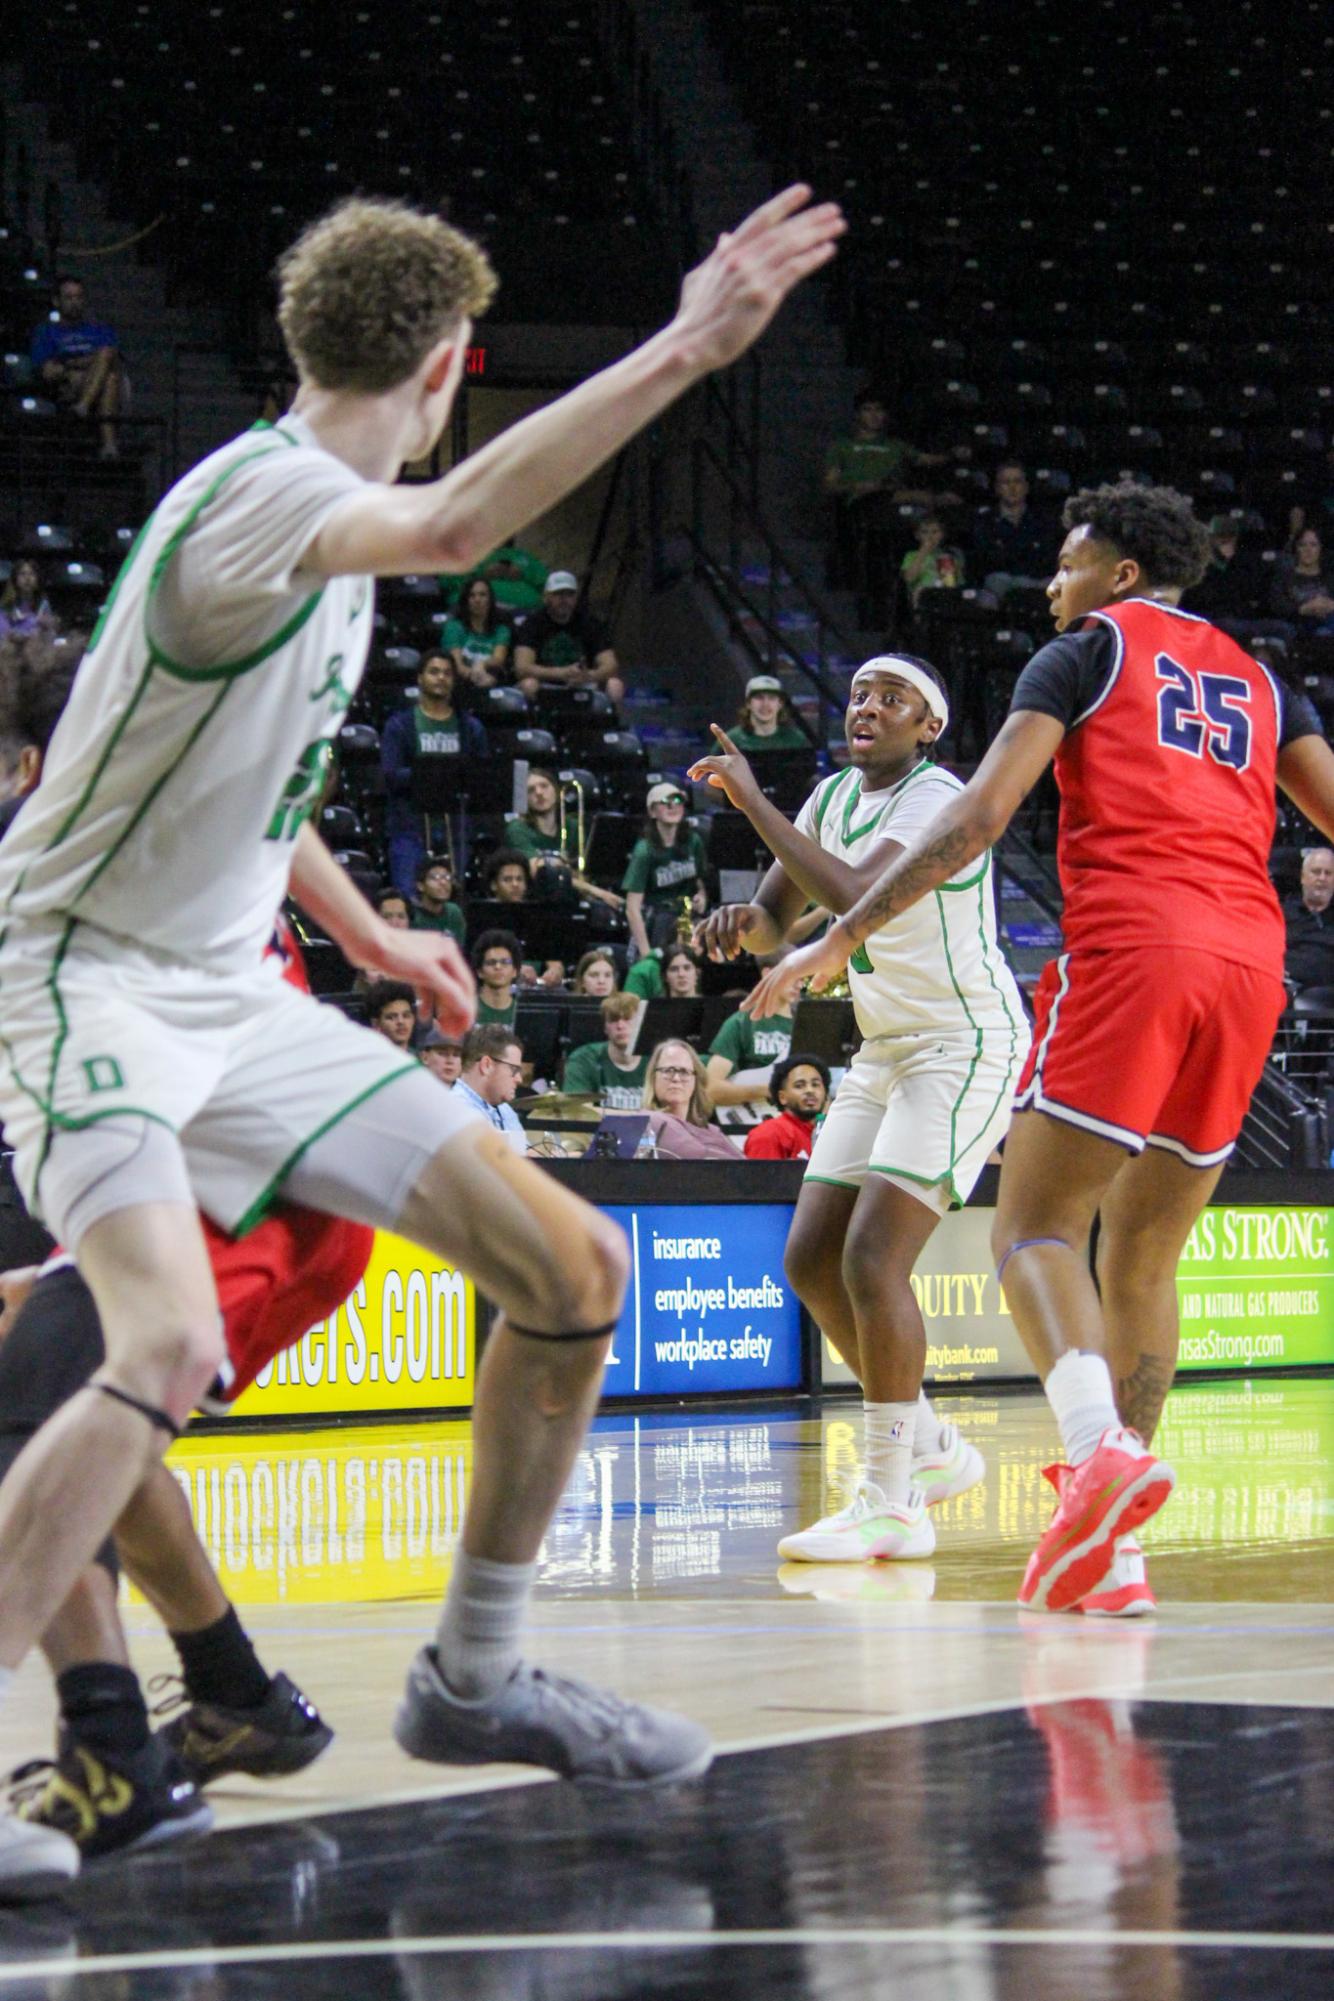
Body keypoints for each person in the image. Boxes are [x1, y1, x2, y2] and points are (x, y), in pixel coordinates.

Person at [0, 180, 843, 1887]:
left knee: (576, 1265)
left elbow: (232, 770)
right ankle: (97, 1729)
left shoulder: (285, 522)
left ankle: (472, 1670)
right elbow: (460, 530)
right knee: (147, 1348)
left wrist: (364, 924)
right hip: (85, 972)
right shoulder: (269, 500)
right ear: (456, 361)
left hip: (227, 985)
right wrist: (688, 341)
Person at [745, 480, 1334, 1615]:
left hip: (1133, 950)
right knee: (1145, 1258)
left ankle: (1092, 1453)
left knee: (1034, 1227)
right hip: (1248, 969)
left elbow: (974, 820)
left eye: (1066, 565)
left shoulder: (1081, 654)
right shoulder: (1264, 679)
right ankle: (1108, 1552)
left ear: (1116, 574)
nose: (1050, 585)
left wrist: (845, 933)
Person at [692, 656, 1024, 1566]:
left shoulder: (938, 796)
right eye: (857, 697)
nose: (867, 709)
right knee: (810, 1257)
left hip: (963, 1042)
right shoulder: (833, 796)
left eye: (892, 699)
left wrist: (754, 804)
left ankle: (893, 1500)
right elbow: (776, 915)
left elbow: (852, 899)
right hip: (884, 1047)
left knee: (874, 1259)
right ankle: (934, 1447)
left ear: (929, 726)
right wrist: (735, 927)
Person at [0, 1203, 362, 1864]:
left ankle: (107, 1750)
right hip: (247, 1194)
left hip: (218, 1185)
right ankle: (236, 1693)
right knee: (105, 1428)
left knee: (42, 1416)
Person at [381, 651, 488, 898]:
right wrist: (439, 773)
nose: (441, 678)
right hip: (411, 827)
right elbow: (391, 776)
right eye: (434, 672)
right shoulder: (399, 725)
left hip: (456, 828)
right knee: (410, 899)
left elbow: (482, 776)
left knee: (453, 900)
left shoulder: (470, 727)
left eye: (447, 673)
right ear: (420, 678)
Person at [29, 276, 125, 459]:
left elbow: (113, 358)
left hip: (86, 382)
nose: (75, 302)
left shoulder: (100, 330)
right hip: (66, 387)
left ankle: (83, 407)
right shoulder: (46, 332)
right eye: (69, 297)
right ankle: (109, 445)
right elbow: (48, 372)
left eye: (79, 297)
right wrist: (87, 364)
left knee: (109, 367)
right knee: (108, 377)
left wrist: (70, 364)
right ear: (57, 301)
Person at [505, 768, 624, 911]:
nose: (539, 793)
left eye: (544, 786)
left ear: (556, 790)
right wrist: (596, 892)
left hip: (575, 897)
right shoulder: (517, 829)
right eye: (531, 790)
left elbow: (584, 870)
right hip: (537, 900)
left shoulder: (573, 826)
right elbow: (540, 871)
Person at [623, 783, 710, 958]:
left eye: (677, 800)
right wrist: (646, 951)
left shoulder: (693, 841)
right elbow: (632, 908)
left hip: (688, 917)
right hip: (658, 921)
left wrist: (702, 897)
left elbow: (700, 883)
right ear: (652, 812)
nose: (673, 806)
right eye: (665, 802)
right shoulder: (644, 850)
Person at [512, 571, 624, 706]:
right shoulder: (532, 623)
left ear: (576, 598)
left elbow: (611, 665)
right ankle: (534, 725)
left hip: (582, 683)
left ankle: (607, 725)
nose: (564, 599)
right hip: (545, 683)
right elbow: (522, 668)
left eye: (569, 594)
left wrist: (588, 676)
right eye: (558, 594)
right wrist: (561, 673)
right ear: (546, 597)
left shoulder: (591, 623)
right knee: (528, 684)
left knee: (615, 685)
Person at [971, 462, 1059, 602]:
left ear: (1026, 487)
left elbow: (1048, 557)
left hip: (1039, 581)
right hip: (1000, 583)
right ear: (997, 488)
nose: (1012, 488)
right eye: (1006, 482)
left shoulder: (1044, 519)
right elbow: (986, 560)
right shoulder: (984, 521)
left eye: (1017, 482)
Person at [641, 1040, 739, 1159]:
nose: (676, 1078)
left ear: (695, 1081)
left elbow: (746, 1169)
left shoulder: (713, 1132)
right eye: (668, 1071)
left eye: (684, 1072)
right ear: (653, 1078)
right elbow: (694, 1152)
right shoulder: (647, 1122)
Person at [705, 991, 793, 1122]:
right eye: (792, 976)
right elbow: (710, 1089)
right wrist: (766, 1090)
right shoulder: (741, 1021)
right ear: (767, 972)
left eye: (803, 978)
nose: (800, 984)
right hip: (752, 1118)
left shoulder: (808, 1024)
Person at [561, 993, 649, 1109]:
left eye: (627, 1019)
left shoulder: (657, 1060)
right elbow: (578, 1113)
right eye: (613, 1020)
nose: (620, 1026)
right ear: (605, 1028)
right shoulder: (583, 1058)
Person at [452, 1026, 527, 1154]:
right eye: (514, 1070)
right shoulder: (455, 1109)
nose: (519, 1079)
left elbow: (526, 1155)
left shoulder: (505, 1110)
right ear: (487, 1065)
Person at [743, 1054, 829, 1159]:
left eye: (815, 1084)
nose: (810, 1090)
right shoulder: (769, 1134)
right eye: (799, 1086)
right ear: (782, 1097)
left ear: (825, 1094)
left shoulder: (827, 1136)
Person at [442, 541, 548, 617]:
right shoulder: (467, 555)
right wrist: (481, 575)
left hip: (524, 612)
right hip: (473, 611)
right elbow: (446, 583)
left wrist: (522, 574)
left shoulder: (523, 556)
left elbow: (546, 584)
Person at [443, 574, 511, 688]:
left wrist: (482, 664)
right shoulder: (453, 627)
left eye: (482, 595)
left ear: (490, 599)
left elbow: (498, 659)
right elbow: (457, 665)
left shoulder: (501, 630)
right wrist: (475, 675)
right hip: (462, 682)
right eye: (472, 595)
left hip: (491, 680)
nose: (477, 600)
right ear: (466, 600)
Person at [1283, 847, 1334, 991]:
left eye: (1328, 873)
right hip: (1288, 992)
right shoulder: (1283, 914)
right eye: (1316, 872)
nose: (1322, 878)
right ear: (1303, 877)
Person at [1271, 526, 1334, 630]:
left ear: (1320, 548)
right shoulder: (1284, 577)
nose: (1308, 550)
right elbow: (1277, 605)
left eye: (1313, 545)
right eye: (1302, 545)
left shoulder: (1330, 577)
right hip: (1297, 628)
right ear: (1296, 548)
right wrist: (1303, 609)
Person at [729, 675, 808, 752]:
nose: (765, 704)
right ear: (748, 703)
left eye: (772, 698)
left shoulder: (796, 740)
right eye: (759, 697)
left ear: (780, 704)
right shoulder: (731, 740)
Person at [900, 515, 964, 610]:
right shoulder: (911, 555)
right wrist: (923, 552)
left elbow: (954, 584)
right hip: (922, 595)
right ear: (917, 536)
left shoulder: (948, 555)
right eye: (925, 532)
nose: (930, 536)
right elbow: (909, 578)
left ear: (942, 535)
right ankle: (919, 619)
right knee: (921, 590)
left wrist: (955, 568)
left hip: (944, 593)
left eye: (935, 532)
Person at [470, 930, 521, 1027]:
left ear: (515, 971)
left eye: (505, 962)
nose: (498, 967)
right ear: (480, 972)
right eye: (491, 962)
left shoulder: (521, 1014)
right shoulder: (464, 1010)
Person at [412, 854, 467, 945]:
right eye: (434, 878)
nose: (443, 882)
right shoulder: (413, 916)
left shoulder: (454, 912)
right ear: (420, 886)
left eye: (447, 877)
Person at [0, 561, 58, 644]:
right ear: (15, 579)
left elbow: (50, 635)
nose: (28, 578)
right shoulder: (6, 606)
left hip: (36, 651)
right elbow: (3, 635)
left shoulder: (43, 604)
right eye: (22, 574)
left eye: (32, 574)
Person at [623, 940, 701, 1000]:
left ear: (697, 973)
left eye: (687, 968)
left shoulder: (710, 1008)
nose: (681, 974)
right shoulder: (652, 1010)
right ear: (664, 976)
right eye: (674, 969)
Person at [365, 979, 419, 1050]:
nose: (400, 1021)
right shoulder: (370, 1059)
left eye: (406, 1016)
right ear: (376, 1024)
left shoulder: (420, 1059)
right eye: (391, 1017)